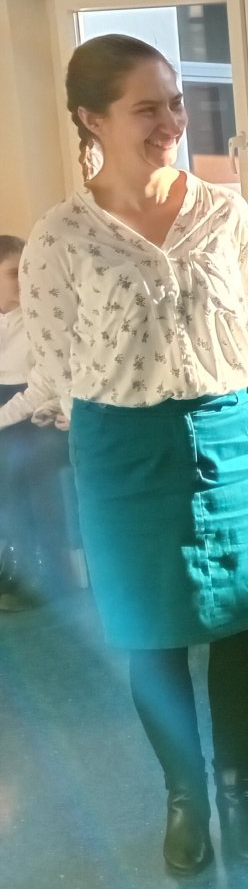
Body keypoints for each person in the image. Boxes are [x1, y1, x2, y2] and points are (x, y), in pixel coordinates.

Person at [20, 34, 248, 876]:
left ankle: (240, 790)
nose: (171, 121)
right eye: (147, 107)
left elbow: (244, 328)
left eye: (175, 102)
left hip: (230, 430)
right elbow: (57, 363)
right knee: (153, 633)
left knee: (241, 624)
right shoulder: (62, 236)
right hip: (123, 446)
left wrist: (205, 397)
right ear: (92, 119)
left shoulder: (225, 213)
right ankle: (184, 796)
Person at [0, 235, 71, 612]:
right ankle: (13, 561)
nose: (24, 280)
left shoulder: (43, 320)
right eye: (14, 273)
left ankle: (45, 571)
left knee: (19, 461)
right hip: (8, 415)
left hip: (37, 416)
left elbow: (43, 389)